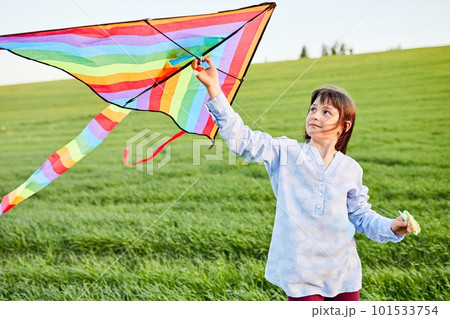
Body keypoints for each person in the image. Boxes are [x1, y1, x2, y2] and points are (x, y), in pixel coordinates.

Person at [191, 57, 420, 301]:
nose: (315, 115)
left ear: (344, 126)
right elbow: (243, 140)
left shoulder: (350, 168)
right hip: (300, 274)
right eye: (312, 109)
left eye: (326, 111)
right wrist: (214, 89)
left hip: (344, 273)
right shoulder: (286, 152)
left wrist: (392, 226)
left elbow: (361, 216)